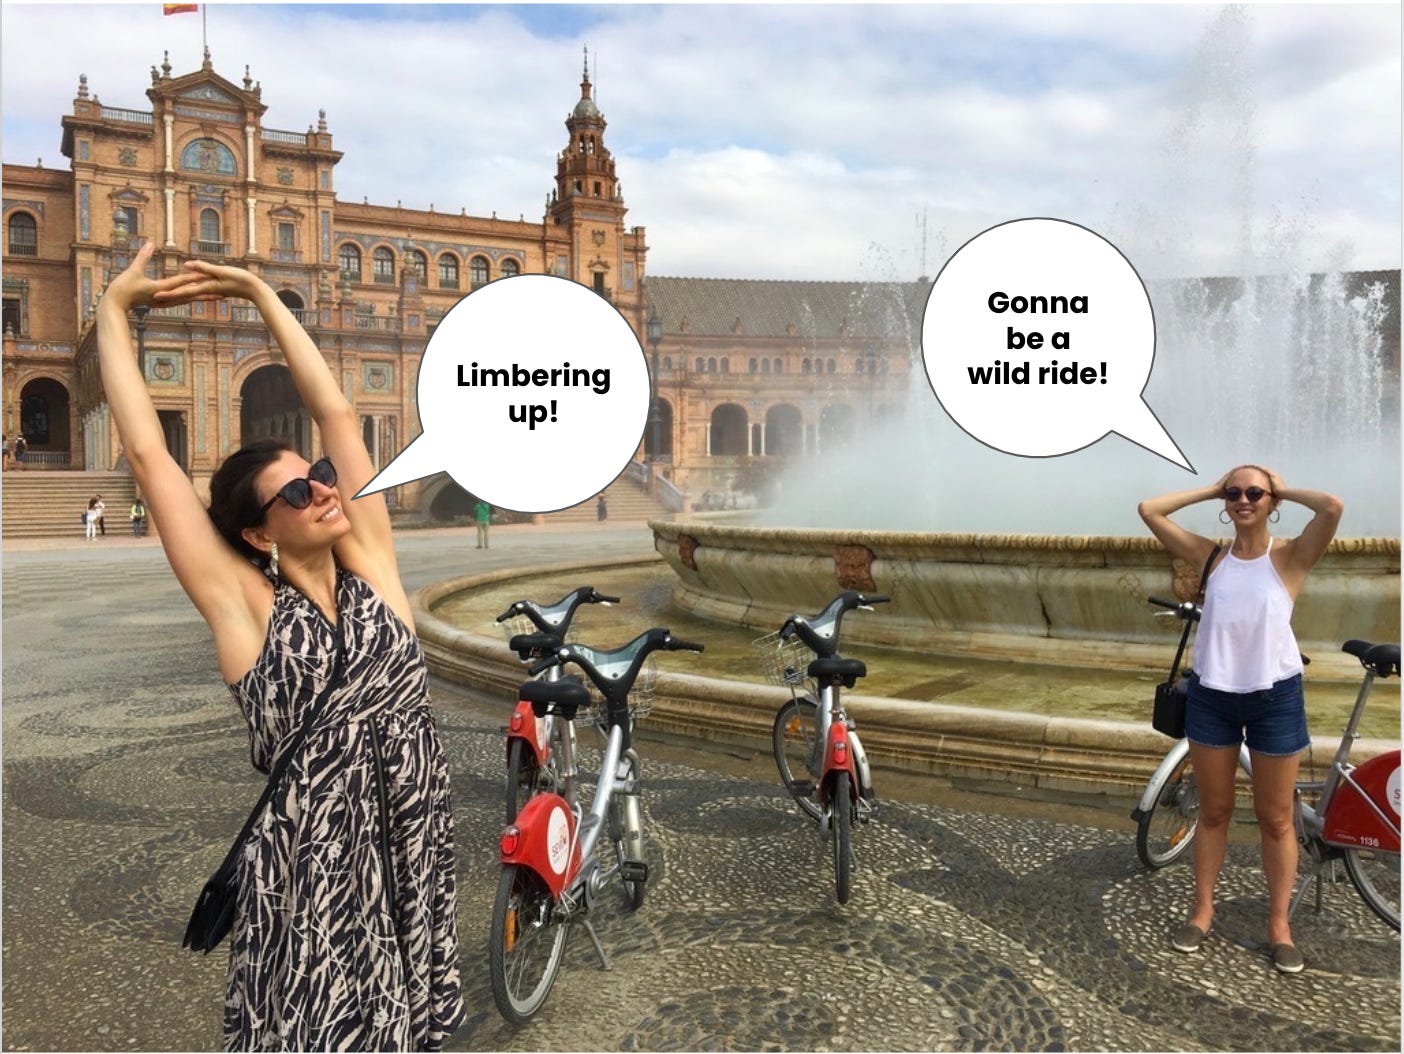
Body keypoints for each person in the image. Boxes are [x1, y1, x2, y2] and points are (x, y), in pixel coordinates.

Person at [96, 241, 463, 1050]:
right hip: (313, 872)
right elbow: (152, 458)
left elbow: (335, 412)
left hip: (411, 846)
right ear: (259, 531)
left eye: (321, 474)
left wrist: (265, 295)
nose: (325, 488)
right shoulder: (245, 608)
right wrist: (114, 312)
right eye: (299, 490)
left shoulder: (372, 567)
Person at [1138, 465, 1342, 974]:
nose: (1242, 500)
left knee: (1276, 819)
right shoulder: (1212, 557)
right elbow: (1149, 511)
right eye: (1234, 493)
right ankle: (1202, 911)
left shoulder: (1290, 557)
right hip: (1212, 696)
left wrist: (1282, 487)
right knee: (1214, 811)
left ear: (1271, 501)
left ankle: (1279, 926)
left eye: (1254, 493)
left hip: (1274, 698)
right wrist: (1211, 487)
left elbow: (1332, 507)